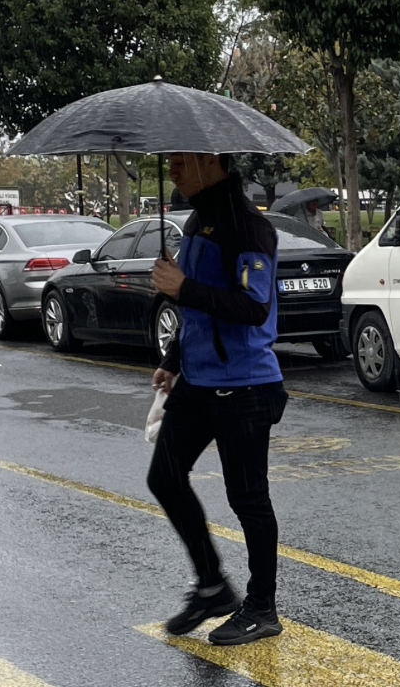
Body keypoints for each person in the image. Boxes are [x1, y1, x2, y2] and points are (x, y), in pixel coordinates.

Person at [148, 151, 288, 646]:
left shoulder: (249, 229)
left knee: (247, 497)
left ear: (212, 162)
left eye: (182, 163)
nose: (173, 171)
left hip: (246, 384)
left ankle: (262, 607)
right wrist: (173, 358)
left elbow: (252, 307)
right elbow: (198, 314)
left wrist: (183, 286)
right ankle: (212, 585)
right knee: (163, 475)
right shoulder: (194, 222)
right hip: (198, 381)